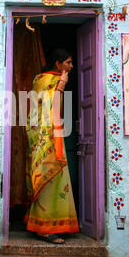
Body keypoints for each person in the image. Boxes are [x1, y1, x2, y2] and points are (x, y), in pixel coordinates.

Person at [24, 49, 79, 244]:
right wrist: (61, 86)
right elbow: (46, 107)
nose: (71, 67)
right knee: (47, 177)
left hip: (50, 133)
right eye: (68, 62)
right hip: (45, 136)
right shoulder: (47, 80)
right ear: (58, 64)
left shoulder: (46, 79)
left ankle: (51, 224)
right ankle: (45, 229)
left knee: (57, 180)